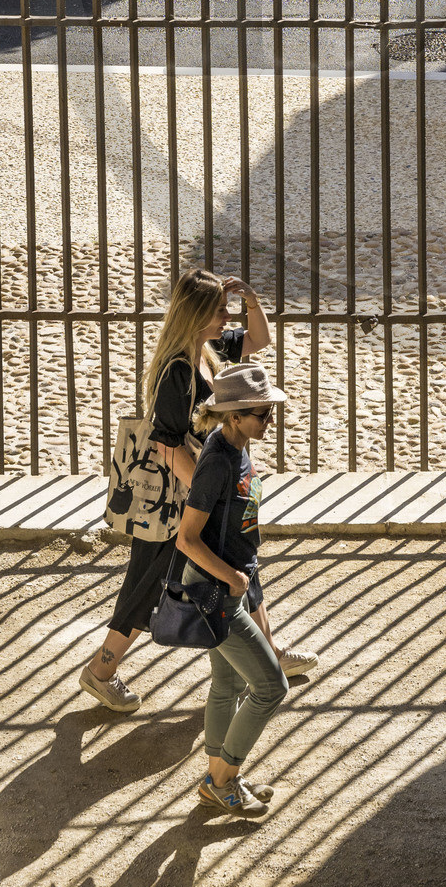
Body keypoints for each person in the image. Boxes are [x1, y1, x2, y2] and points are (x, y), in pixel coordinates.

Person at [78, 267, 270, 715]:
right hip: (174, 499)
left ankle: (270, 654)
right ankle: (100, 671)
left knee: (239, 563)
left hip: (198, 490)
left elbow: (259, 340)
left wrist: (252, 299)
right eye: (219, 310)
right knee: (147, 585)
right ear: (197, 313)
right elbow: (166, 447)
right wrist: (208, 495)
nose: (226, 317)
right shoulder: (177, 371)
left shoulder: (207, 350)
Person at [175, 360, 294, 818]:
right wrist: (232, 578)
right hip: (215, 593)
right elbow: (186, 539)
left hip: (231, 587)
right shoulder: (217, 461)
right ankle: (223, 780)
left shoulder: (237, 448)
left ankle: (217, 778)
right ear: (235, 416)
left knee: (227, 684)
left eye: (271, 412)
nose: (270, 420)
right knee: (271, 686)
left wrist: (247, 583)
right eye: (263, 414)